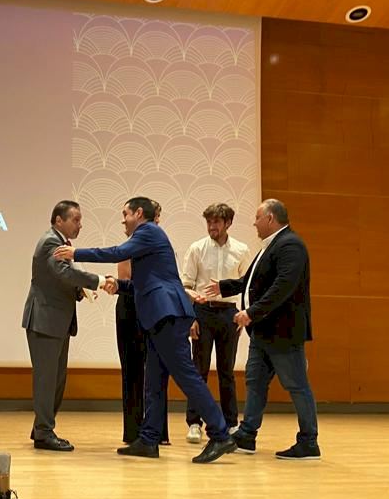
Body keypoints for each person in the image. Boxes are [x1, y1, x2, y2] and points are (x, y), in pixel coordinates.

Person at [55, 197, 235, 464]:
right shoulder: (149, 239)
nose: (123, 220)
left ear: (139, 213)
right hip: (160, 317)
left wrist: (75, 253)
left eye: (125, 214)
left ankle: (220, 434)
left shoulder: (148, 231)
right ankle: (149, 440)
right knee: (153, 381)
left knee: (187, 377)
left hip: (167, 316)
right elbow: (145, 283)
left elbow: (116, 252)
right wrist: (119, 285)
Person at [203, 198, 320, 460]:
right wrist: (224, 286)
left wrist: (251, 313)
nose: (254, 223)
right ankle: (246, 434)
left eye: (257, 218)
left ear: (270, 218)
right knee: (255, 382)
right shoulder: (273, 245)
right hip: (263, 332)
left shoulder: (291, 245)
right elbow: (252, 282)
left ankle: (309, 442)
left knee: (297, 385)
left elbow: (283, 286)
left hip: (283, 333)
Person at [22, 200, 104, 452]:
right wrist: (99, 281)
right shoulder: (51, 242)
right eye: (75, 220)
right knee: (47, 380)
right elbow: (64, 273)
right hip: (45, 320)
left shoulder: (60, 242)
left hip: (56, 322)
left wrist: (79, 290)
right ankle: (44, 432)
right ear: (59, 220)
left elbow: (61, 279)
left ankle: (42, 428)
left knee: (56, 379)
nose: (80, 225)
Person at [181, 202, 252, 444]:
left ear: (228, 223)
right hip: (202, 312)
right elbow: (186, 285)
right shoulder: (197, 248)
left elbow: (247, 285)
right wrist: (190, 317)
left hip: (229, 314)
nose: (212, 226)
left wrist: (243, 313)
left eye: (217, 222)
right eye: (209, 222)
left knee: (226, 371)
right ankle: (194, 423)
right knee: (198, 370)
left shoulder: (241, 250)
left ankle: (230, 423)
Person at [115, 201, 169, 445]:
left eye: (157, 217)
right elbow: (126, 279)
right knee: (133, 370)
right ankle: (134, 431)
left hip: (155, 308)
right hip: (131, 307)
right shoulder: (131, 245)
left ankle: (158, 431)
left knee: (158, 370)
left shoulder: (161, 244)